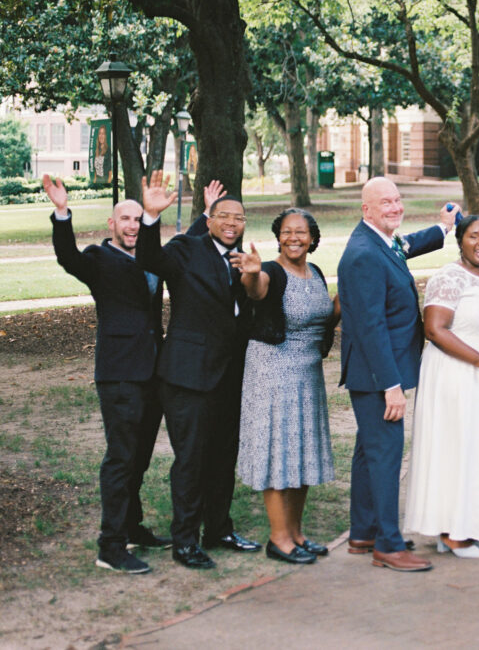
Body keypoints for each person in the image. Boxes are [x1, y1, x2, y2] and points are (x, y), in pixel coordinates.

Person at [43, 175, 169, 574]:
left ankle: (131, 526)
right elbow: (68, 257)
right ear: (112, 226)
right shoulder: (98, 259)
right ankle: (110, 545)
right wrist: (62, 212)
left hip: (153, 372)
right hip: (119, 374)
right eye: (125, 219)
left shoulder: (151, 256)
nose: (132, 225)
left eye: (138, 218)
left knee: (140, 458)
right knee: (121, 457)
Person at [136, 171, 261, 569]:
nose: (231, 223)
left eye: (238, 218)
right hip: (188, 376)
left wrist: (252, 278)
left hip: (229, 376)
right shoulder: (187, 250)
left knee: (223, 456)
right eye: (223, 216)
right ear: (209, 220)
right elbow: (150, 259)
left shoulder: (246, 261)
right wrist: (151, 218)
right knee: (191, 459)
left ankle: (219, 528)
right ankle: (185, 541)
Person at [338, 177, 459, 572]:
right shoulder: (363, 255)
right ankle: (388, 546)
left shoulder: (379, 242)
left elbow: (405, 246)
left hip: (376, 373)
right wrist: (391, 387)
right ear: (365, 209)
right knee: (387, 456)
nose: (394, 207)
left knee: (368, 453)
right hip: (377, 376)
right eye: (384, 202)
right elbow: (370, 328)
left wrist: (443, 228)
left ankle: (363, 532)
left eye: (396, 199)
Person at [404, 215, 479, 558]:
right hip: (458, 373)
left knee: (478, 451)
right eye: (474, 236)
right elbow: (435, 329)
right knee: (457, 449)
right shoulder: (449, 277)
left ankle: (467, 527)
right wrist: (478, 360)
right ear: (460, 241)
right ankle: (453, 534)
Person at [234, 209, 340, 565]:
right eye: (287, 232)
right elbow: (257, 290)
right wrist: (250, 276)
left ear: (312, 238)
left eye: (302, 232)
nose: (294, 237)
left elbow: (327, 314)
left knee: (302, 451)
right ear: (278, 237)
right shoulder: (271, 271)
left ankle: (296, 533)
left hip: (307, 373)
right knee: (279, 451)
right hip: (273, 369)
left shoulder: (316, 273)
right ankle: (278, 539)